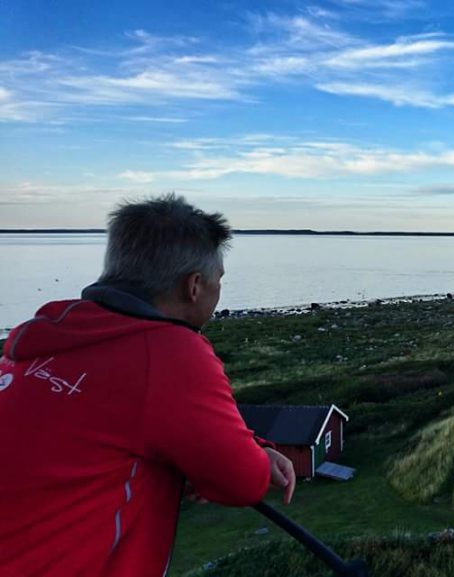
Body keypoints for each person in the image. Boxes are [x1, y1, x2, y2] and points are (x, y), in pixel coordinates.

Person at [0, 194, 296, 577]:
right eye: (218, 281)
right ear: (193, 286)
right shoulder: (168, 352)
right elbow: (242, 482)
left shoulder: (50, 330)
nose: (219, 292)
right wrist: (256, 460)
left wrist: (227, 452)